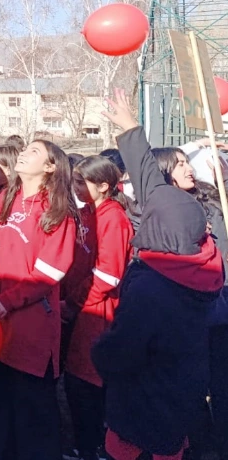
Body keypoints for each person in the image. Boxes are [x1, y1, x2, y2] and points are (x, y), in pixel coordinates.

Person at [92, 89, 224, 460]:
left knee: (127, 448)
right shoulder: (200, 263)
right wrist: (131, 128)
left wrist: (101, 355)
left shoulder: (153, 284)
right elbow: (153, 184)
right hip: (183, 391)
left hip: (141, 394)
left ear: (155, 225)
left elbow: (126, 346)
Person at [0, 139, 78, 460]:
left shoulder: (58, 211)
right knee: (0, 395)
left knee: (32, 406)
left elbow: (48, 274)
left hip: (32, 324)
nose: (23, 153)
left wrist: (8, 300)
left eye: (34, 151)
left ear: (50, 167)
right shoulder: (9, 197)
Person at [65, 156, 133, 460]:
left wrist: (75, 302)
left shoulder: (113, 218)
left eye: (82, 182)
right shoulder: (92, 213)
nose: (76, 188)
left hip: (98, 313)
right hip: (85, 309)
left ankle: (91, 447)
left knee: (87, 382)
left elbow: (107, 275)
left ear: (104, 186)